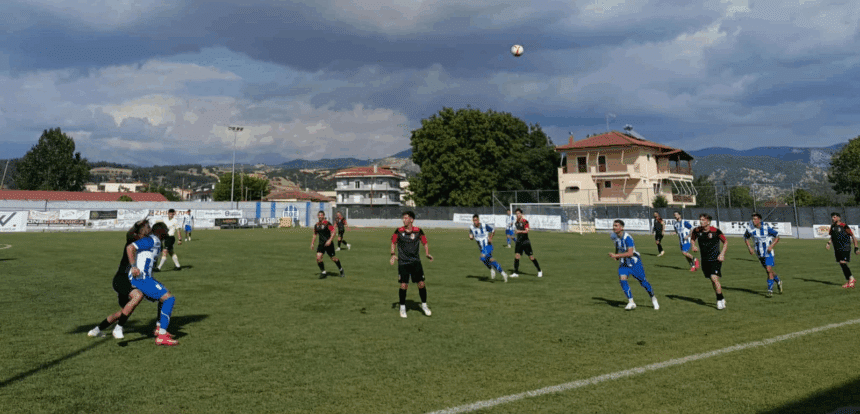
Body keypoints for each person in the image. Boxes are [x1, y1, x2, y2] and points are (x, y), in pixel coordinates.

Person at [87, 218, 150, 339]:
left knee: (124, 312)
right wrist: (136, 224)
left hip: (130, 280)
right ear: (141, 229)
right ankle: (118, 328)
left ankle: (96, 330)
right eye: (147, 226)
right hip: (122, 279)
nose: (149, 228)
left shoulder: (147, 242)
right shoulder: (133, 240)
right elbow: (129, 233)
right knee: (137, 296)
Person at [127, 221, 178, 346]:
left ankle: (159, 328)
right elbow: (130, 248)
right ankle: (162, 336)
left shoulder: (157, 242)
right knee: (169, 299)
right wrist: (133, 267)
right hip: (140, 278)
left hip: (145, 278)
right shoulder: (152, 240)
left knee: (164, 298)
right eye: (165, 229)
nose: (167, 232)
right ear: (160, 231)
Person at [390, 211, 433, 318]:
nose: (404, 220)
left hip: (415, 262)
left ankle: (424, 305)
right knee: (404, 285)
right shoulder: (399, 231)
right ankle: (402, 308)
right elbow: (393, 242)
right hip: (403, 262)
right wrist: (393, 254)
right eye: (403, 218)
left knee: (421, 284)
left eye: (406, 218)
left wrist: (427, 253)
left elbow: (425, 242)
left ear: (411, 220)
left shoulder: (418, 231)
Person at [608, 220, 659, 310]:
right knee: (622, 279)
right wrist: (616, 255)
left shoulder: (628, 238)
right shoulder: (614, 236)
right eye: (613, 225)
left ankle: (653, 298)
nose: (614, 227)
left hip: (634, 263)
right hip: (624, 263)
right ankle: (631, 302)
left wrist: (617, 255)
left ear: (622, 228)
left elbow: (630, 253)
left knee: (643, 282)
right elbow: (617, 247)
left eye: (616, 225)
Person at [691, 213, 729, 310]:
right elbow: (693, 238)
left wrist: (722, 254)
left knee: (714, 278)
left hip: (715, 259)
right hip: (705, 260)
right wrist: (693, 246)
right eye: (700, 219)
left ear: (708, 222)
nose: (701, 221)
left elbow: (725, 242)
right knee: (713, 280)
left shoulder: (715, 231)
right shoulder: (697, 230)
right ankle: (721, 297)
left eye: (703, 220)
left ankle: (719, 301)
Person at [743, 213, 783, 297]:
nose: (753, 221)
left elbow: (777, 237)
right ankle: (778, 281)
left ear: (759, 220)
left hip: (768, 252)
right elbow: (746, 237)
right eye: (753, 219)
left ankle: (770, 291)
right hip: (759, 253)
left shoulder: (766, 227)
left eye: (755, 219)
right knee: (769, 270)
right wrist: (749, 248)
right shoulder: (750, 228)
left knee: (768, 270)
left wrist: (771, 246)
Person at [468, 214, 508, 282]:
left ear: (478, 220)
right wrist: (471, 237)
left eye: (476, 220)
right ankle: (503, 273)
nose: (475, 222)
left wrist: (490, 238)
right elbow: (470, 235)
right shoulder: (472, 228)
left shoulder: (484, 225)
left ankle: (491, 270)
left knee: (482, 257)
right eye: (474, 220)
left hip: (488, 246)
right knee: (491, 260)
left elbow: (493, 230)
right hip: (482, 248)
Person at [825, 212, 859, 288]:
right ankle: (850, 280)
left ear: (839, 218)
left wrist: (856, 247)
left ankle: (851, 279)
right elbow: (832, 236)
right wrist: (828, 243)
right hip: (837, 248)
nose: (833, 218)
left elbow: (853, 236)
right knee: (841, 263)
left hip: (845, 247)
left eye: (834, 217)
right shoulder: (833, 227)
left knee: (842, 262)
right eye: (832, 217)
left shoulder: (844, 226)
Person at [311, 211, 344, 278]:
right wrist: (312, 243)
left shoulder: (327, 223)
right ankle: (323, 272)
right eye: (319, 215)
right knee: (318, 258)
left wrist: (329, 240)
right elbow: (315, 234)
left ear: (323, 216)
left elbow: (333, 232)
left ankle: (341, 269)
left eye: (321, 215)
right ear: (317, 216)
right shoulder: (316, 225)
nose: (320, 216)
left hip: (328, 244)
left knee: (333, 258)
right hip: (321, 244)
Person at [511, 208, 542, 278]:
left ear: (521, 214)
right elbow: (517, 231)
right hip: (519, 242)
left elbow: (527, 231)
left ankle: (539, 271)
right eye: (516, 214)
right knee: (517, 256)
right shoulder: (516, 222)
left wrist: (519, 231)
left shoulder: (525, 221)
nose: (517, 215)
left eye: (518, 213)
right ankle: (515, 272)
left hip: (525, 242)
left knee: (531, 257)